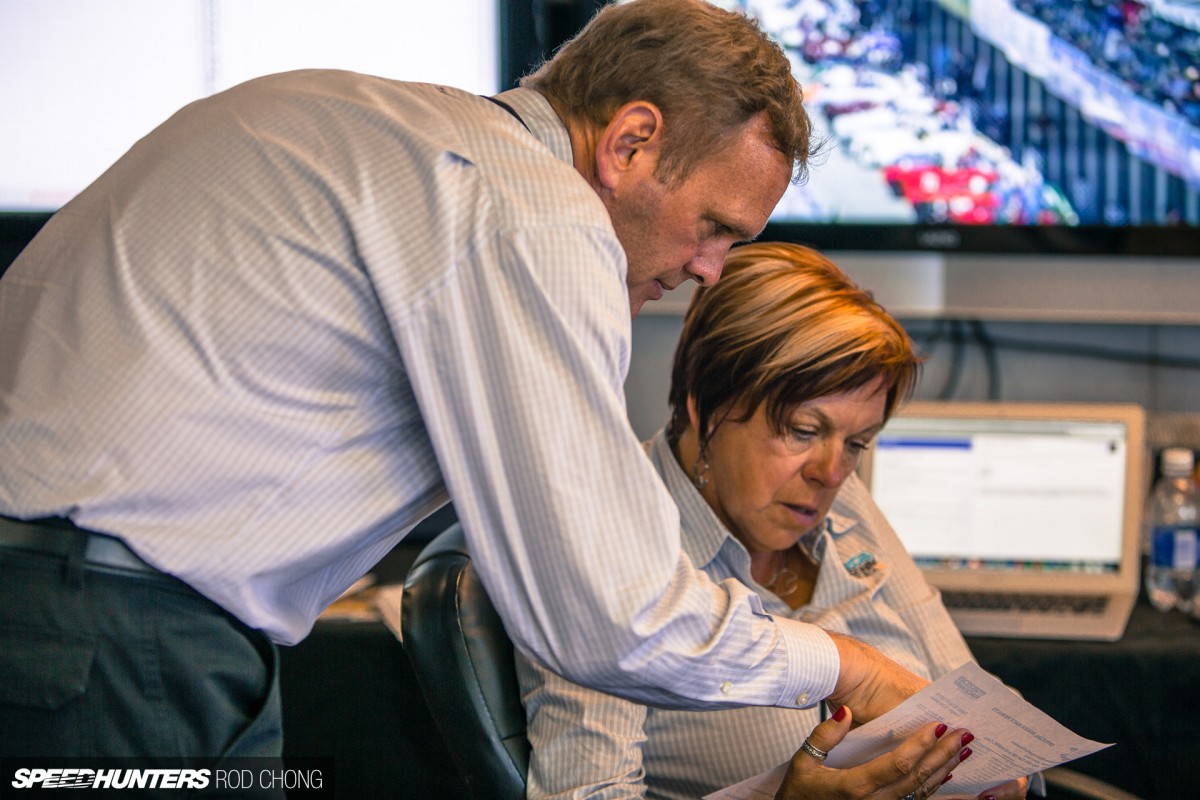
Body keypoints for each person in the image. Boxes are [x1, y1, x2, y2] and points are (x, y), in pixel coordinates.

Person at [1, 0, 926, 767]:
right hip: (113, 634)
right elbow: (610, 616)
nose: (711, 269)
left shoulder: (353, 119)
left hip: (80, 616)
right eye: (715, 226)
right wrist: (844, 667)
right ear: (632, 142)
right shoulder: (534, 210)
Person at [517, 242, 1033, 800]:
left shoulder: (841, 498)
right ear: (704, 403)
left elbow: (968, 692)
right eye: (803, 432)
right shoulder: (605, 542)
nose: (831, 473)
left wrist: (1003, 769)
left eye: (857, 442)